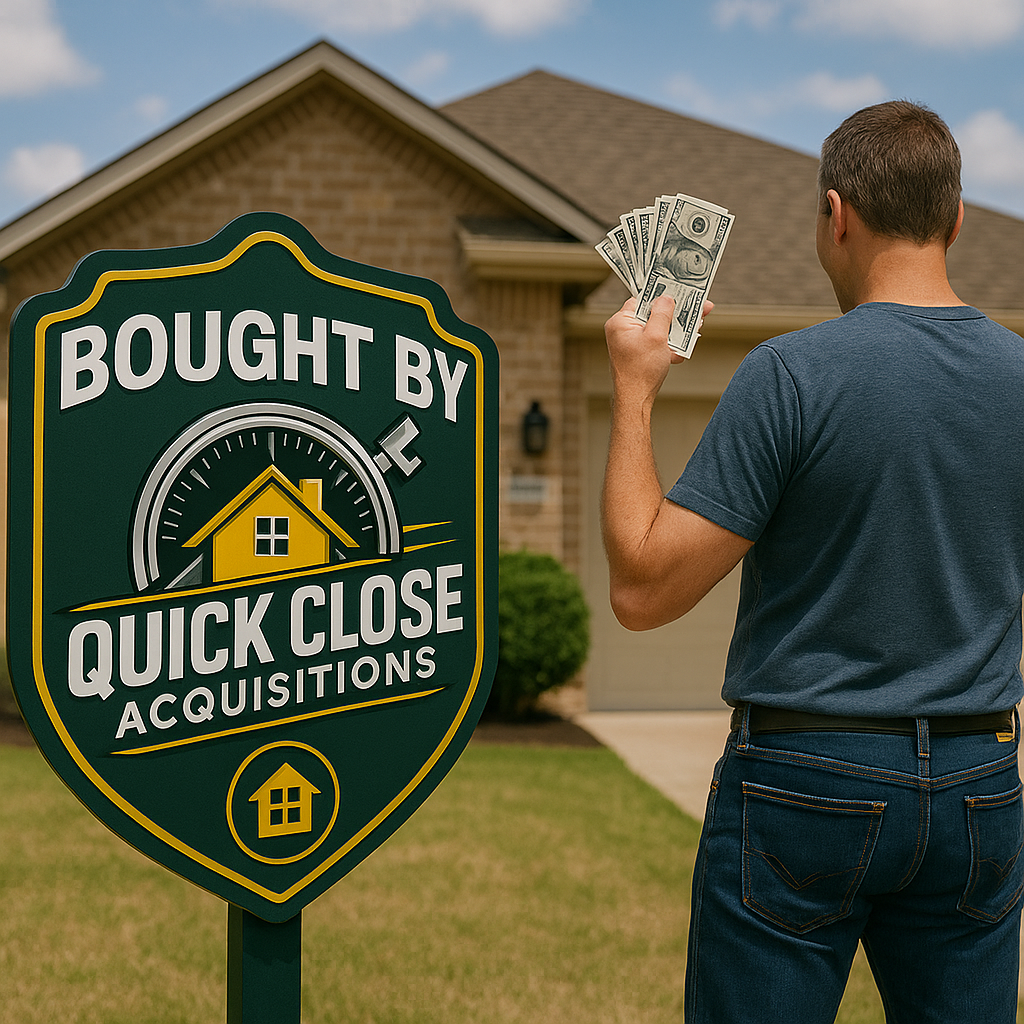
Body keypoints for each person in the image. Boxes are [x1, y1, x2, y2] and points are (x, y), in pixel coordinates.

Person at [601, 100, 1024, 1024]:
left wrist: (635, 388)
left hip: (806, 778)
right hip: (979, 786)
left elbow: (641, 588)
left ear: (836, 214)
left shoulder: (790, 376)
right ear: (956, 220)